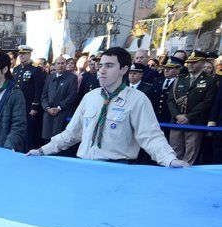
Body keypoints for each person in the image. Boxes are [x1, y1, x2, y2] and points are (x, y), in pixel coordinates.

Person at [27, 47, 187, 167]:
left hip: (116, 169)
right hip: (84, 166)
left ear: (124, 70)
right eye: (101, 65)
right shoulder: (90, 97)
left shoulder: (137, 100)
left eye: (109, 66)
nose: (101, 70)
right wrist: (42, 150)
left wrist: (170, 160)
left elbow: (151, 136)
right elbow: (72, 133)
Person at [167, 50, 217, 165]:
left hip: (195, 122)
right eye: (189, 62)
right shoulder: (181, 78)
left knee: (190, 156)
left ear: (202, 62)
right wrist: (178, 115)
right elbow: (170, 99)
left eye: (194, 62)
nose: (190, 64)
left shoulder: (210, 80)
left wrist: (188, 117)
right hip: (177, 122)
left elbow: (207, 102)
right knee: (174, 152)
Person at [13, 45, 45, 151]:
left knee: (29, 131)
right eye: (20, 53)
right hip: (18, 105)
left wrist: (35, 106)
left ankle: (28, 151)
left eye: (24, 53)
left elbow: (38, 89)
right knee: (18, 129)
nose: (21, 55)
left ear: (29, 54)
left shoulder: (35, 69)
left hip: (29, 106)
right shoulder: (16, 69)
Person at [41, 57, 78, 141]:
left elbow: (72, 96)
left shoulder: (72, 78)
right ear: (54, 65)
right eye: (58, 63)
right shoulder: (50, 77)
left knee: (60, 140)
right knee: (47, 141)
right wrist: (47, 108)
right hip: (48, 113)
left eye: (63, 63)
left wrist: (59, 107)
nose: (60, 65)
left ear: (66, 64)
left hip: (62, 113)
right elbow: (44, 94)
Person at [153, 57, 182, 125]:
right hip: (155, 117)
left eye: (170, 68)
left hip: (170, 117)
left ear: (177, 70)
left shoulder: (180, 82)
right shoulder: (157, 81)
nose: (166, 70)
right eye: (165, 68)